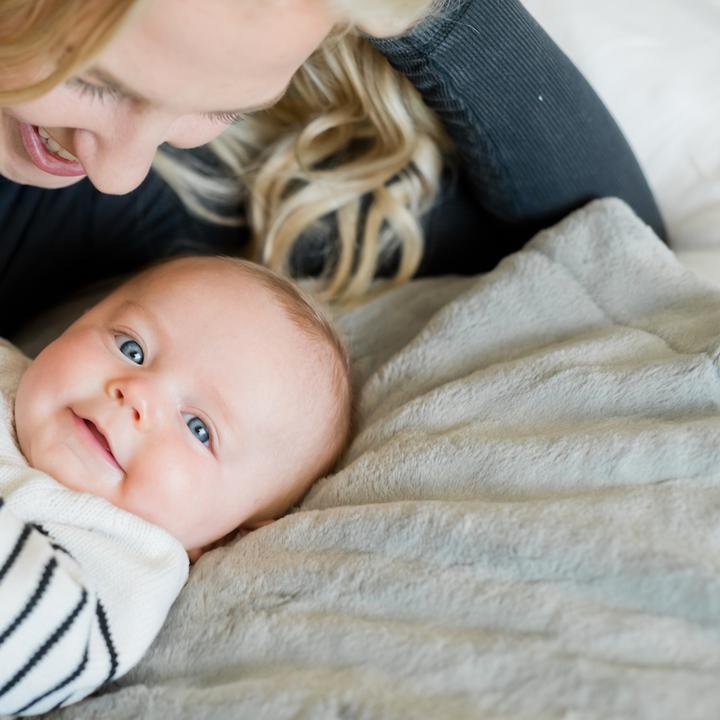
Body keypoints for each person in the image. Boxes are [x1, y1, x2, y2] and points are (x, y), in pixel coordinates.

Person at [0, 0, 665, 338]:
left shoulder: (174, 199)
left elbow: (618, 256)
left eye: (218, 109)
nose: (121, 171)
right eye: (94, 82)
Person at [0, 255, 352, 716]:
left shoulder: (116, 568)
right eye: (132, 349)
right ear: (77, 323)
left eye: (198, 428)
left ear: (228, 533)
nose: (137, 392)